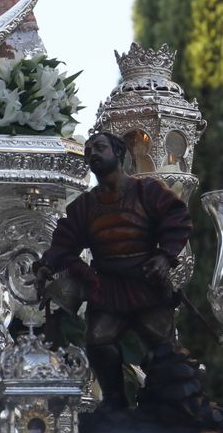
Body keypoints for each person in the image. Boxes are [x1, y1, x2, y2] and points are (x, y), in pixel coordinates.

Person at [38, 132, 198, 415]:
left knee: (163, 346)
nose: (92, 155)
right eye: (88, 151)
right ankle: (114, 401)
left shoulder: (147, 191)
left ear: (119, 152)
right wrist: (46, 265)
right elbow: (64, 243)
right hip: (107, 287)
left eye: (99, 148)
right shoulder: (85, 206)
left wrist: (165, 256)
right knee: (98, 339)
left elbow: (177, 217)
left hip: (147, 283)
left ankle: (175, 404)